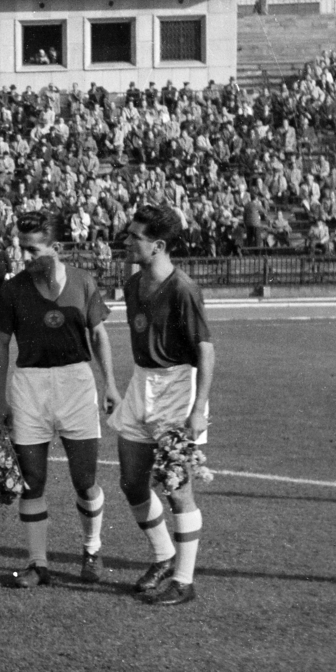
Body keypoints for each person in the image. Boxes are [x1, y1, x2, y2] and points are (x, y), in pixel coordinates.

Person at [0, 211, 119, 587]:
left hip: (76, 383)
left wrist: (109, 383)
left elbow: (99, 335)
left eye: (34, 250)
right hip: (29, 385)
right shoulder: (13, 288)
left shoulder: (82, 281)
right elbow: (0, 342)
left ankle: (92, 549)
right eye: (22, 250)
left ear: (57, 248)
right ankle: (37, 562)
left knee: (85, 478)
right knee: (32, 480)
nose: (26, 258)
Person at [109, 205, 215, 606]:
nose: (127, 241)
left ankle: (184, 580)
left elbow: (206, 351)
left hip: (176, 388)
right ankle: (163, 557)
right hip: (142, 382)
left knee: (177, 489)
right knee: (131, 482)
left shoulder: (183, 288)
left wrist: (198, 408)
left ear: (159, 246)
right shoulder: (134, 283)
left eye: (135, 237)